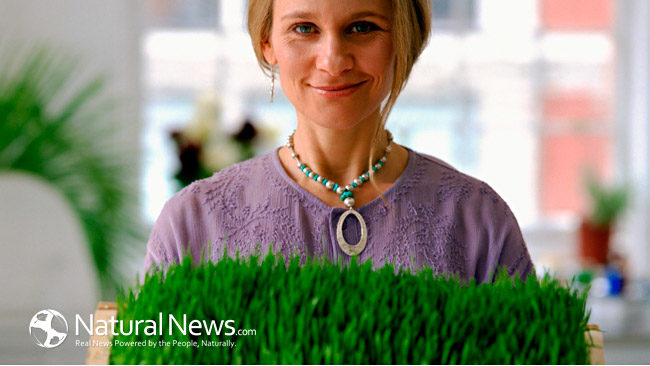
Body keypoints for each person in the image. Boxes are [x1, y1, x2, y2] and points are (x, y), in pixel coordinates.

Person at [141, 0, 534, 284]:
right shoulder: (192, 223)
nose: (333, 60)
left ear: (403, 37)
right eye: (304, 28)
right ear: (267, 41)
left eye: (362, 27)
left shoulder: (478, 220)